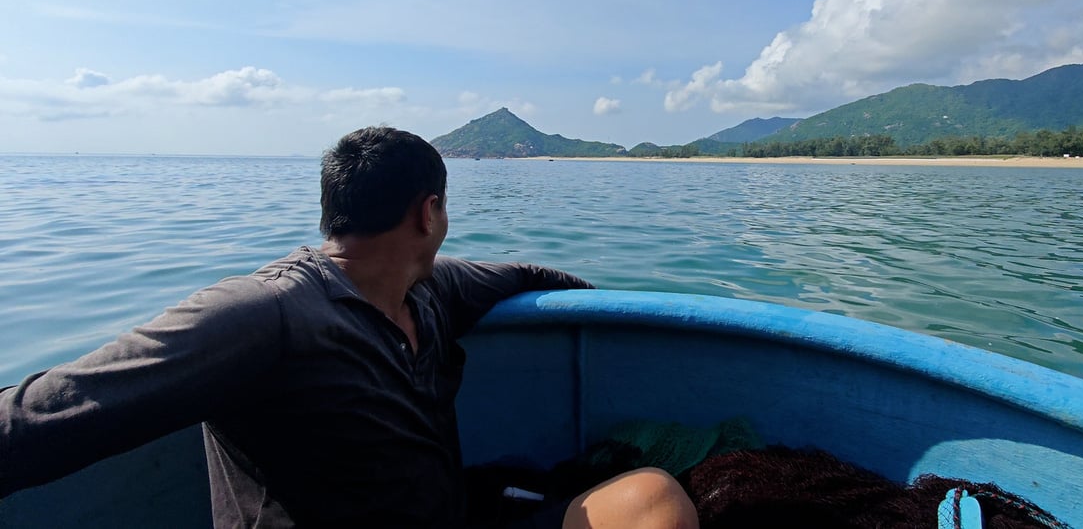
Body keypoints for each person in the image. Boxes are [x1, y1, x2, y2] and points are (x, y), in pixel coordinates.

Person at [0, 127, 698, 528]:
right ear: (429, 213)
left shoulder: (433, 289)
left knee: (651, 500)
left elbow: (528, 275)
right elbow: (46, 414)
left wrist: (599, 300)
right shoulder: (264, 315)